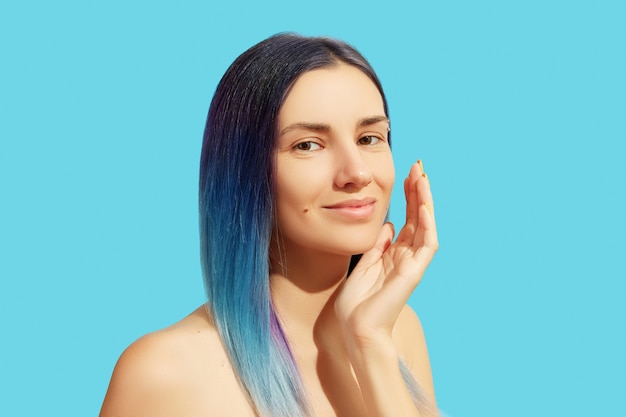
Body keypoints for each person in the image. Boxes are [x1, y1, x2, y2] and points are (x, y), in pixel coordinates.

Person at [100, 33, 439, 417]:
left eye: (369, 137)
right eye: (307, 144)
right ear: (246, 174)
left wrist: (371, 344)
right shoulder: (164, 373)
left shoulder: (395, 331)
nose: (357, 172)